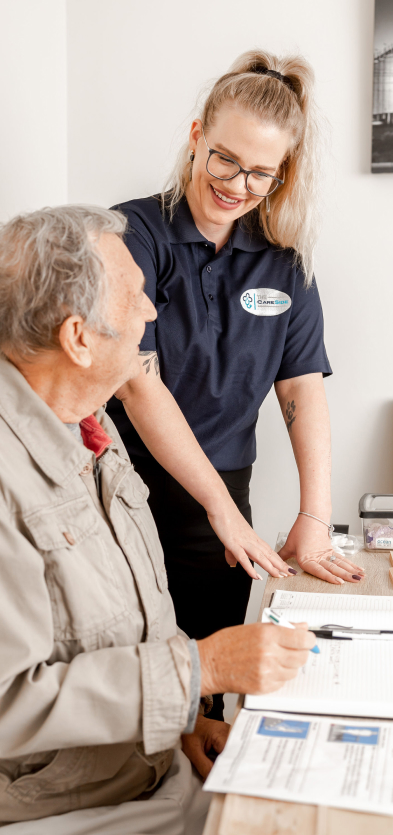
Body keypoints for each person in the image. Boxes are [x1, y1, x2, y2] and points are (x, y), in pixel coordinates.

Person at [0, 205, 315, 834]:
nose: (152, 313)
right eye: (138, 296)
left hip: (152, 766)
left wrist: (184, 721)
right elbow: (10, 703)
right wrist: (203, 669)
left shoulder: (92, 426)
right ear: (79, 338)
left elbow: (122, 625)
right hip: (67, 808)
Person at [108, 50, 365, 722]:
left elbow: (300, 391)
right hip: (124, 488)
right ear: (196, 136)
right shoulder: (130, 234)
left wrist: (313, 519)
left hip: (224, 488)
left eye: (260, 171)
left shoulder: (284, 263)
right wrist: (222, 511)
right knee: (135, 674)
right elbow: (138, 384)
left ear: (281, 174)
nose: (236, 183)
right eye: (224, 158)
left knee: (212, 680)